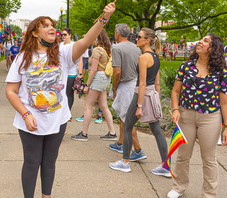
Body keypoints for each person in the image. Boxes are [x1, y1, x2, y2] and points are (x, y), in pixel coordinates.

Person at [5, 3, 116, 198]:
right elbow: (11, 91)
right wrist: (26, 113)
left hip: (58, 119)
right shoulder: (22, 58)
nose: (51, 28)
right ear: (34, 33)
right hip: (30, 120)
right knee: (31, 163)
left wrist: (104, 17)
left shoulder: (63, 53)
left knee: (49, 162)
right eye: (45, 25)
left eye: (52, 25)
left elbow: (87, 40)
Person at [166, 34, 227, 198]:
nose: (199, 42)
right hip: (185, 116)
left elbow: (225, 102)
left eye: (205, 41)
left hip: (210, 118)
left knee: (209, 158)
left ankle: (209, 194)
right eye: (201, 40)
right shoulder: (186, 66)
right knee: (182, 155)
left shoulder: (221, 71)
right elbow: (175, 91)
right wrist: (175, 110)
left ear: (213, 48)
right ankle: (179, 187)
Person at [109, 28, 169, 177]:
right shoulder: (155, 56)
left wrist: (139, 106)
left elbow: (141, 84)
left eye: (139, 37)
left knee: (128, 126)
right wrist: (156, 100)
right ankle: (166, 166)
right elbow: (157, 83)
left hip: (141, 95)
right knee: (157, 131)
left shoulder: (143, 58)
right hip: (152, 95)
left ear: (147, 40)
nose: (136, 38)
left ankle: (125, 162)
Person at [71, 29, 117, 142]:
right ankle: (112, 132)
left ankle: (84, 133)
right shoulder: (106, 49)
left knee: (88, 106)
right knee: (104, 106)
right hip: (105, 78)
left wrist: (87, 84)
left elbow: (93, 70)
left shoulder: (97, 50)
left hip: (97, 78)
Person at [108, 23, 145, 161]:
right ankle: (121, 143)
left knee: (127, 118)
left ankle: (138, 150)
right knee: (124, 116)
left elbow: (117, 71)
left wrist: (114, 87)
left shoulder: (116, 48)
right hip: (134, 83)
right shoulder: (137, 48)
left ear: (117, 33)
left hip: (124, 85)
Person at [61, 28, 78, 113]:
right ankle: (62, 112)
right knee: (62, 93)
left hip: (71, 73)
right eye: (62, 35)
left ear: (70, 35)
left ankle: (68, 112)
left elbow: (80, 60)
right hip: (61, 73)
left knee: (69, 93)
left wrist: (80, 73)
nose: (63, 36)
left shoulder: (74, 45)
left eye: (65, 34)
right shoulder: (59, 45)